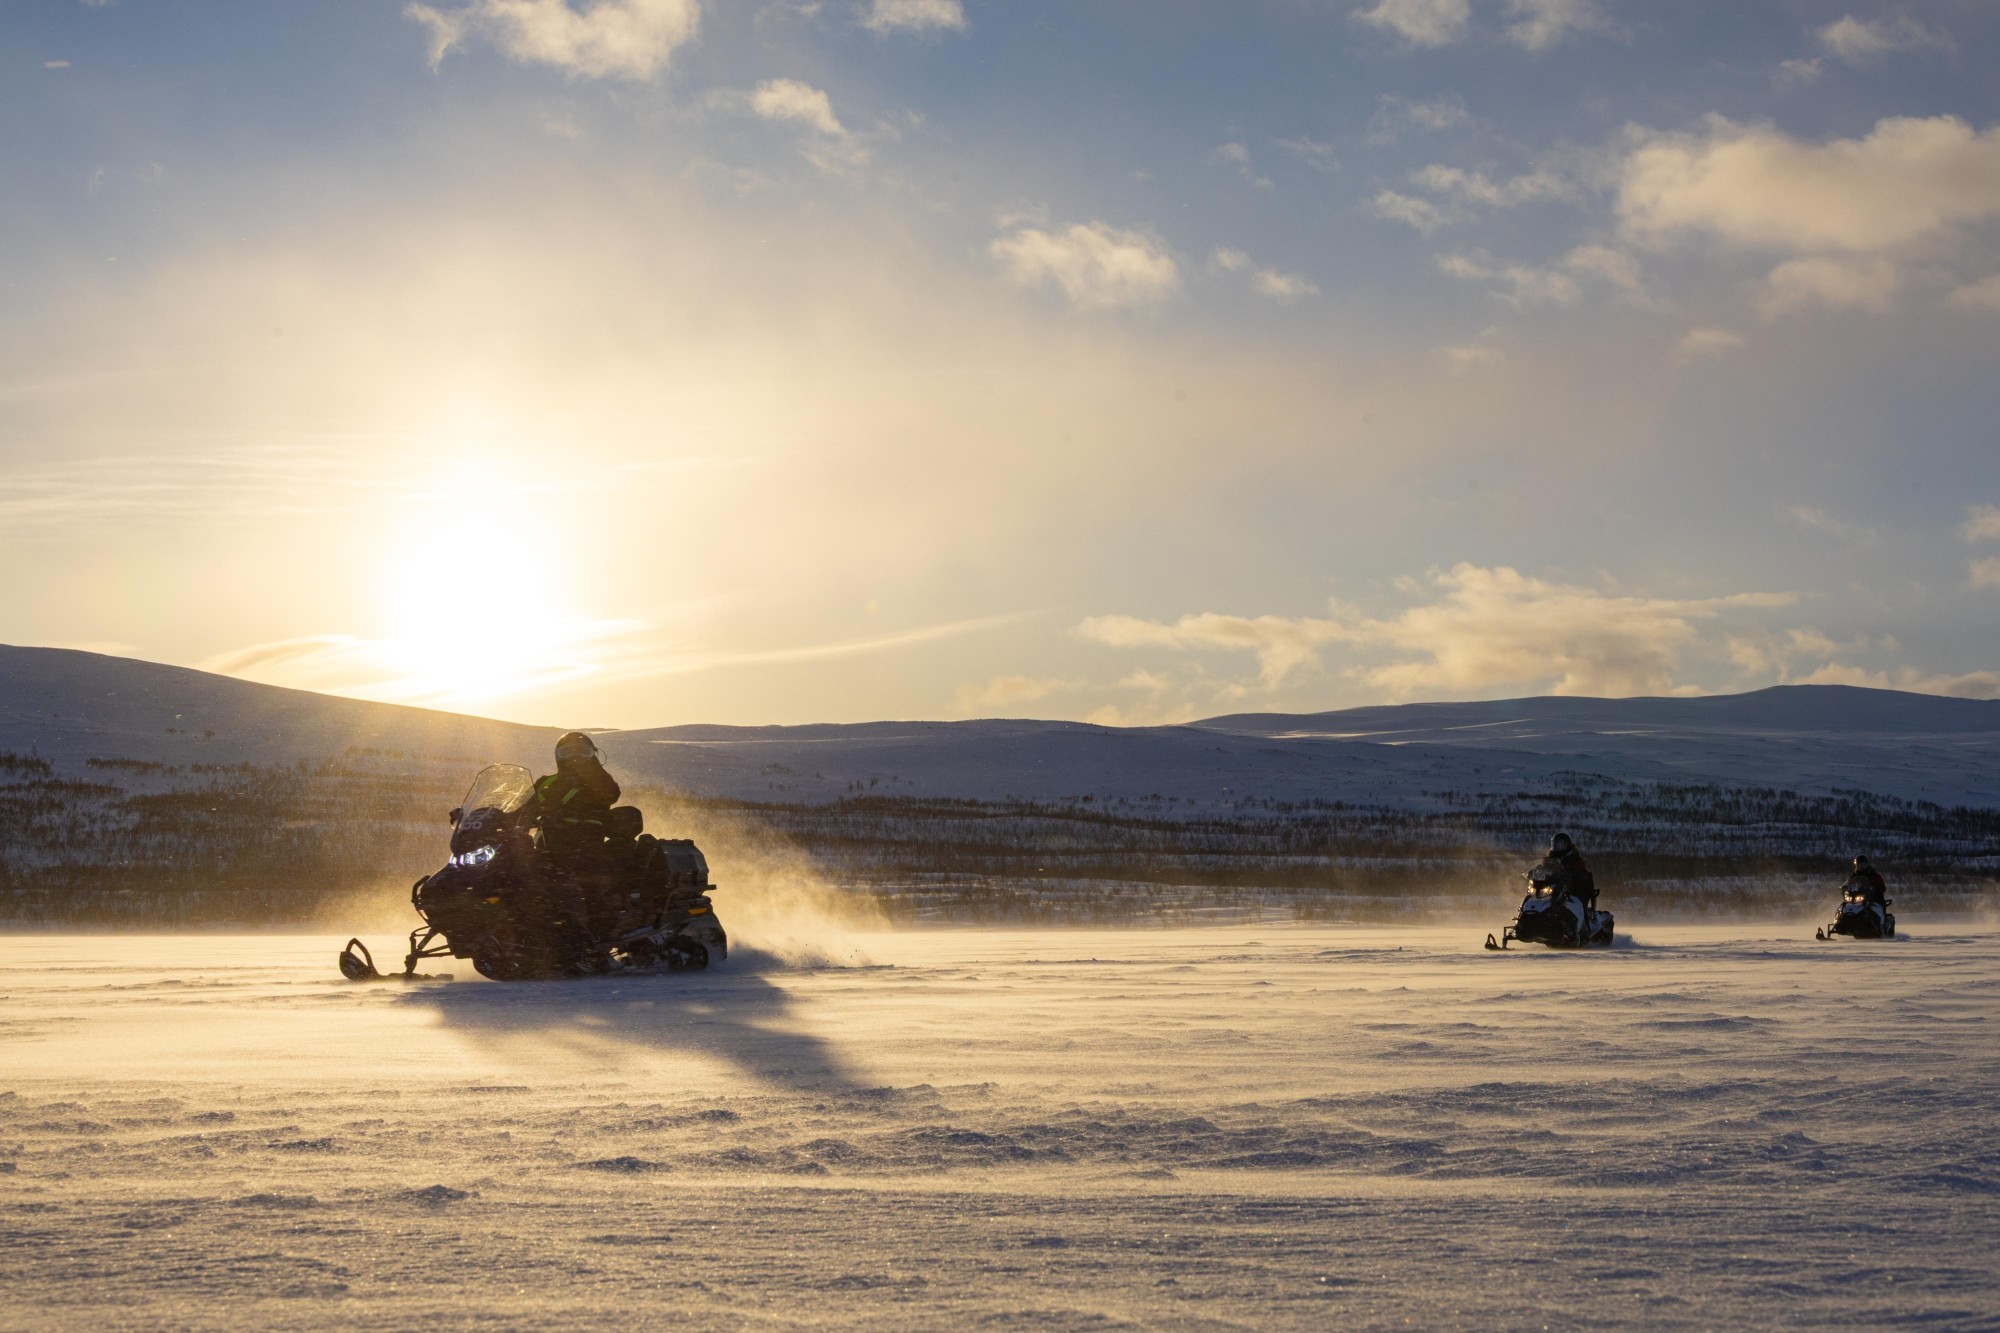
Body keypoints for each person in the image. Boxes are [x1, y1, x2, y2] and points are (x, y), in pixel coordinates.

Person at [535, 731, 630, 860]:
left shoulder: (597, 781)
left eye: (582, 751)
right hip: (546, 848)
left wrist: (593, 768)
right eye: (568, 751)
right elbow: (523, 807)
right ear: (558, 756)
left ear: (593, 755)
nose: (575, 756)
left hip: (587, 851)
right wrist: (503, 816)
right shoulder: (545, 783)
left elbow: (611, 794)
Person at [1546, 832, 1597, 919]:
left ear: (1566, 845)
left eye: (1558, 844)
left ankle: (1575, 923)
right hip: (1552, 888)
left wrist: (1568, 869)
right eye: (1554, 844)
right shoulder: (1550, 859)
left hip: (1573, 889)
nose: (1555, 847)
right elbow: (1544, 868)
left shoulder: (1574, 859)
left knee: (1569, 903)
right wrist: (1535, 871)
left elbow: (1580, 870)